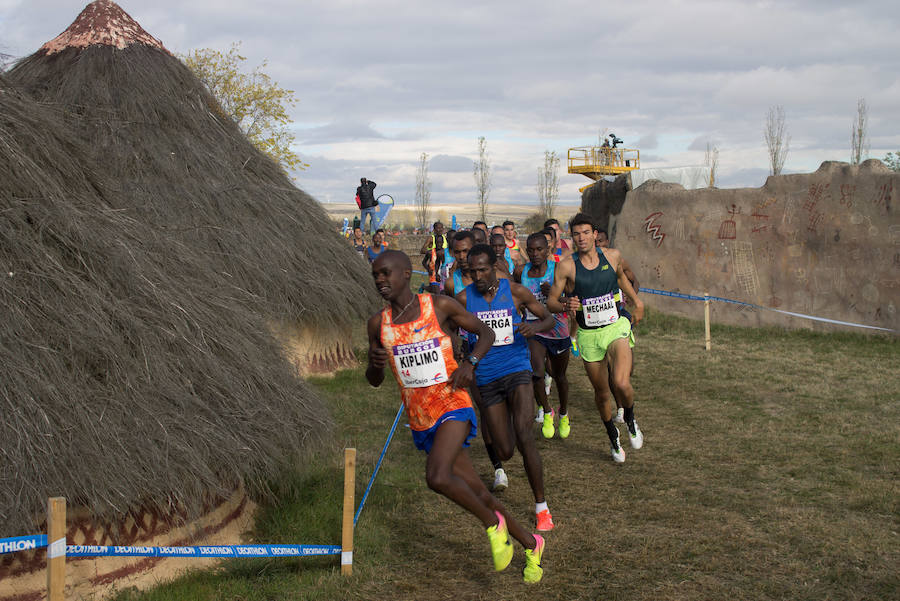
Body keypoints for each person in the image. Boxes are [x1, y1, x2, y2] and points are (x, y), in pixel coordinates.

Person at [366, 250, 545, 582]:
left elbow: (486, 334)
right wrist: (375, 366)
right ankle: (532, 543)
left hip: (452, 403)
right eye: (375, 275)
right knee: (478, 492)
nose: (380, 280)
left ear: (406, 273)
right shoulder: (378, 324)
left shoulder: (438, 306)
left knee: (436, 477)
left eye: (385, 273)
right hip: (421, 418)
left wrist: (470, 363)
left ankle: (494, 525)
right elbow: (374, 380)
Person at [456, 244, 557, 532]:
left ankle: (542, 507)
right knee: (505, 449)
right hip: (486, 377)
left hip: (516, 368)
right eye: (473, 271)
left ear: (495, 267)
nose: (478, 276)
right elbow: (448, 326)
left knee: (525, 434)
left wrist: (535, 329)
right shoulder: (463, 298)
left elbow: (548, 317)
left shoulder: (515, 291)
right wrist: (459, 350)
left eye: (483, 270)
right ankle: (514, 423)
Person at [547, 213, 645, 463]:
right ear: (572, 236)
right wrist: (566, 304)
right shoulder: (566, 266)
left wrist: (637, 302)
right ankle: (613, 438)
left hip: (615, 327)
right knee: (602, 393)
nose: (581, 238)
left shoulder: (612, 256)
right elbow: (551, 302)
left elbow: (622, 277)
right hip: (589, 334)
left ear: (594, 234)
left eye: (586, 233)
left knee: (621, 383)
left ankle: (631, 419)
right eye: (576, 234)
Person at [445, 232, 508, 491]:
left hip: (506, 353)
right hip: (474, 356)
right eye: (457, 253)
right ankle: (498, 468)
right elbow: (446, 320)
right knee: (485, 410)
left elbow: (512, 305)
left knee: (507, 412)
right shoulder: (452, 284)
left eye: (465, 252)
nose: (461, 258)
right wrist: (455, 342)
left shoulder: (500, 275)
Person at [514, 233, 572, 440]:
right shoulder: (521, 272)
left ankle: (563, 413)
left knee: (560, 376)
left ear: (547, 250)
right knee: (536, 372)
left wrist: (555, 295)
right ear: (526, 251)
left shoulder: (557, 270)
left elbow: (571, 300)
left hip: (557, 327)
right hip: (533, 327)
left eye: (539, 249)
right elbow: (516, 295)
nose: (535, 254)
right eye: (531, 250)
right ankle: (547, 411)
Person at [595, 227, 640, 424]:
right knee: (610, 368)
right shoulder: (584, 264)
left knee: (626, 370)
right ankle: (620, 408)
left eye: (602, 242)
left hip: (619, 313)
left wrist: (633, 297)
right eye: (596, 242)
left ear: (607, 242)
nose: (598, 246)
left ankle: (624, 395)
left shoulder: (615, 259)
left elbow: (632, 277)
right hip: (598, 319)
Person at [421, 221, 449, 292]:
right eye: (438, 228)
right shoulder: (431, 238)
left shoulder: (445, 238)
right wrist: (430, 253)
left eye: (441, 228)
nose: (440, 230)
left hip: (443, 268)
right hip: (433, 267)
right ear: (434, 229)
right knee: (436, 290)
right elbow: (422, 250)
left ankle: (424, 287)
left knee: (441, 290)